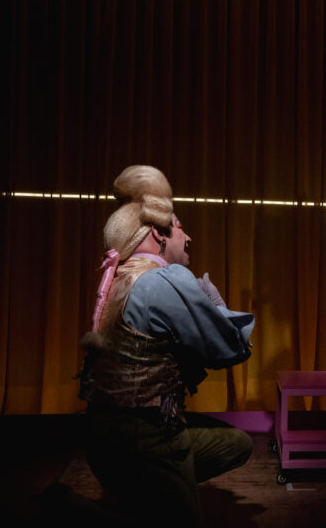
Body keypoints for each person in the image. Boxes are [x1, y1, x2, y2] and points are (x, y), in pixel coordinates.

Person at [77, 165, 255, 524]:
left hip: (100, 436)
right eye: (180, 226)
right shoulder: (161, 281)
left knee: (236, 443)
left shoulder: (119, 279)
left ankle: (152, 492)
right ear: (158, 233)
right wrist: (214, 302)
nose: (188, 237)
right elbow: (228, 348)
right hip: (144, 438)